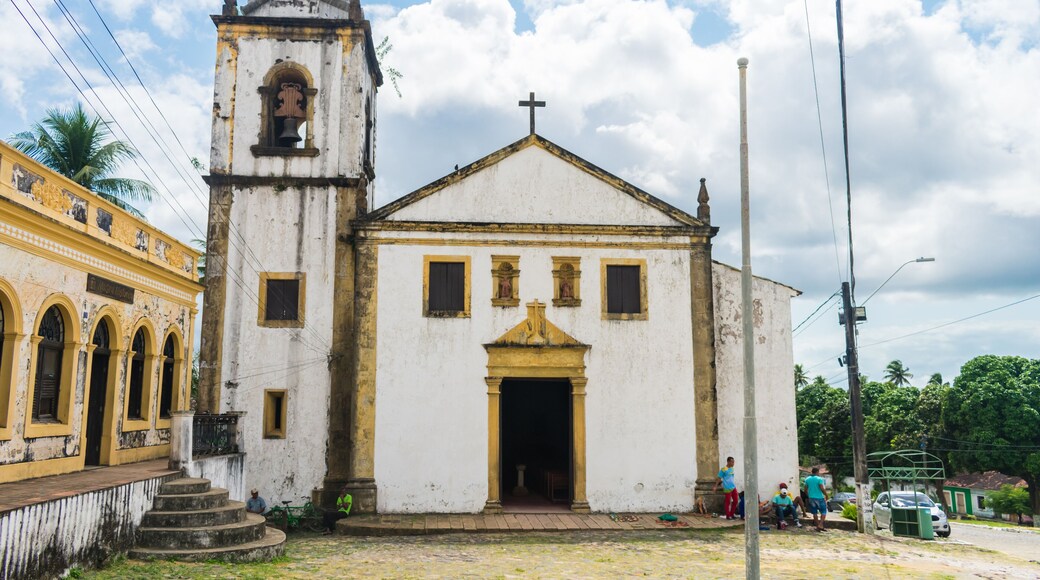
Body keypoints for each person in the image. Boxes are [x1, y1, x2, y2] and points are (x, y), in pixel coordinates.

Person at [803, 467, 829, 531]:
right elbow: (821, 488)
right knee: (823, 511)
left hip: (811, 498)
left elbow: (805, 490)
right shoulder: (819, 479)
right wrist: (826, 495)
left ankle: (818, 527)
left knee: (814, 513)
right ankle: (821, 524)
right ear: (817, 472)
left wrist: (809, 496)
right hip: (820, 498)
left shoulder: (807, 479)